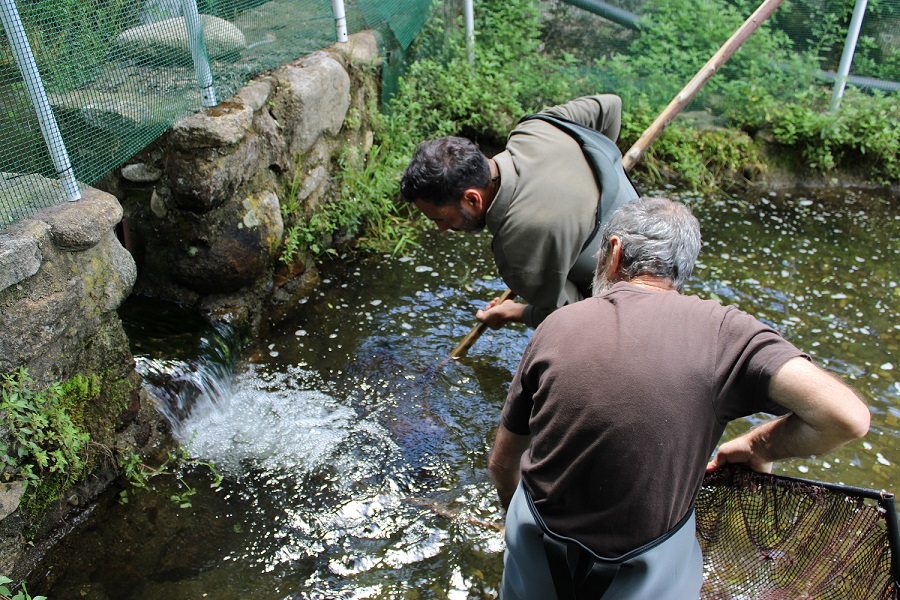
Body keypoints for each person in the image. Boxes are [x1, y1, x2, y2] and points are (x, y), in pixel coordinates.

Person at [487, 197, 871, 599]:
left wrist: (510, 520)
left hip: (538, 558)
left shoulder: (557, 325)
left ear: (614, 253)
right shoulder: (727, 334)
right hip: (644, 575)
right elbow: (846, 417)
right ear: (682, 268)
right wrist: (759, 443)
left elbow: (502, 463)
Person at [400, 94, 624, 329]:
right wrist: (606, 166)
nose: (442, 229)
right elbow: (610, 106)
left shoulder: (516, 250)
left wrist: (514, 313)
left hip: (637, 296)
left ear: (472, 199)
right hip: (656, 229)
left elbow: (576, 319)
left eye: (441, 219)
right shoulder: (537, 127)